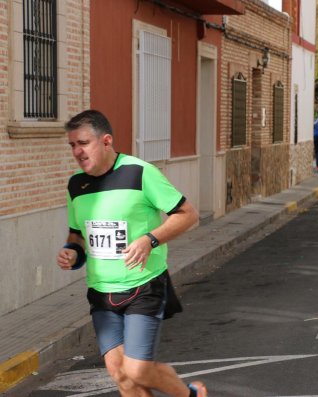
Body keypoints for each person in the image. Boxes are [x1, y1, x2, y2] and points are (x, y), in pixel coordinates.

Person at [56, 110, 207, 397]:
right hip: (101, 291)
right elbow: (77, 232)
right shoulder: (76, 184)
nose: (77, 151)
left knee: (137, 369)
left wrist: (149, 239)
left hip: (144, 286)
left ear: (106, 141)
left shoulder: (140, 172)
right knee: (120, 375)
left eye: (83, 143)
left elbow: (188, 215)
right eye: (72, 145)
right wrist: (72, 252)